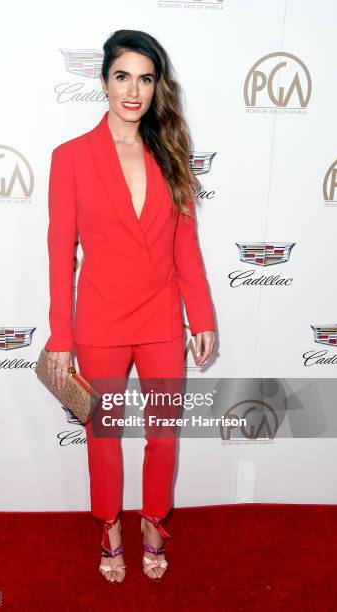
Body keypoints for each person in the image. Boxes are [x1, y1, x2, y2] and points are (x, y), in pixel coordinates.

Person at [44, 29, 216, 584]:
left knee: (163, 434)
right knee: (104, 436)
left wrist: (203, 316)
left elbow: (184, 246)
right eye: (122, 76)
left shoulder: (171, 154)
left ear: (156, 86)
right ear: (104, 82)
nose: (133, 90)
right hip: (99, 323)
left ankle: (153, 521)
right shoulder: (70, 158)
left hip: (163, 319)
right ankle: (110, 525)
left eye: (145, 78)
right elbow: (58, 254)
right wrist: (61, 336)